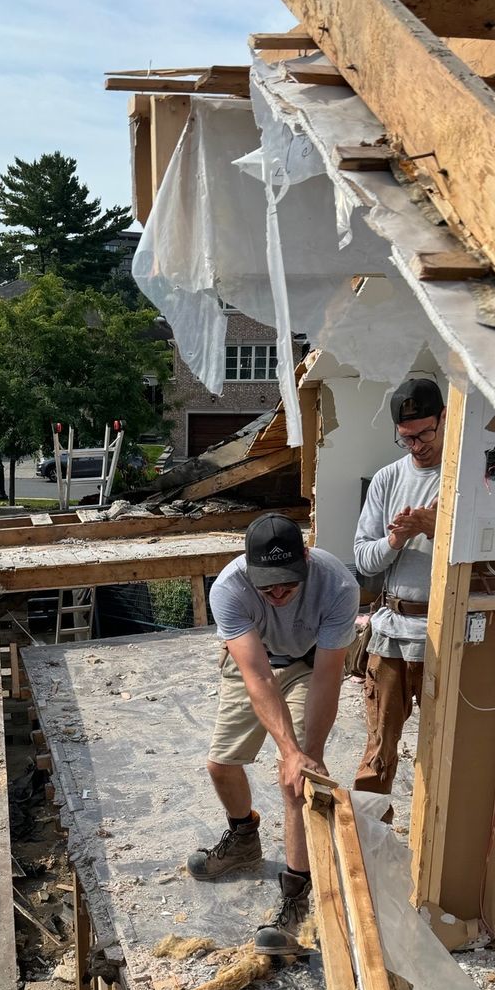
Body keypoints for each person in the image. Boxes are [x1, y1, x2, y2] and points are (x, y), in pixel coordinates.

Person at [186, 514, 359, 954]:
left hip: (308, 665)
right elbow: (257, 676)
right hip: (259, 665)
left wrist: (307, 753)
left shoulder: (338, 585)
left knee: (296, 779)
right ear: (249, 566)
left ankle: (297, 896)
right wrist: (287, 746)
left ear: (306, 558)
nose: (278, 594)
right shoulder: (227, 587)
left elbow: (326, 676)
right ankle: (243, 838)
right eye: (268, 586)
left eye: (288, 583)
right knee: (221, 764)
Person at [352, 376, 445, 800]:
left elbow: (491, 557)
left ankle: (437, 841)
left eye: (425, 433)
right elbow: (364, 559)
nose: (416, 446)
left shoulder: (467, 477)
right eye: (406, 438)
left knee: (448, 747)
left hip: (443, 632)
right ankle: (371, 842)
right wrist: (398, 538)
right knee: (379, 751)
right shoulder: (387, 479)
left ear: (445, 419)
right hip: (391, 633)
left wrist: (437, 527)